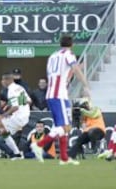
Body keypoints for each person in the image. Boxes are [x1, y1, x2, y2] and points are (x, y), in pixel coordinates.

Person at [31, 34, 90, 165]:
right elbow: (73, 68)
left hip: (51, 94)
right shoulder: (69, 54)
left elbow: (64, 72)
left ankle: (64, 158)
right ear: (72, 44)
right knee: (66, 127)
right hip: (59, 95)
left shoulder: (53, 56)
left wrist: (70, 76)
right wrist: (85, 85)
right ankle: (39, 145)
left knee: (60, 126)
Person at [0, 72, 31, 160]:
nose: (2, 82)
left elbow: (15, 107)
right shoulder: (20, 88)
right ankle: (17, 154)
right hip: (25, 116)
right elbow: (29, 101)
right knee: (3, 131)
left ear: (7, 80)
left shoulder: (11, 90)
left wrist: (3, 116)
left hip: (18, 117)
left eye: (3, 79)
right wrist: (14, 104)